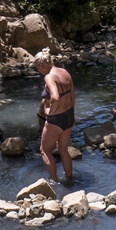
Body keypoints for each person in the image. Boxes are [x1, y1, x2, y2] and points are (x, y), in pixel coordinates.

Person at [34, 48, 75, 182]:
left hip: (56, 119)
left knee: (44, 150)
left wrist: (50, 113)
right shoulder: (64, 71)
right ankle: (69, 179)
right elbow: (73, 94)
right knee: (63, 149)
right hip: (69, 115)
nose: (39, 71)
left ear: (42, 65)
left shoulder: (49, 76)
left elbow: (55, 97)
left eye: (37, 67)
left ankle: (54, 182)